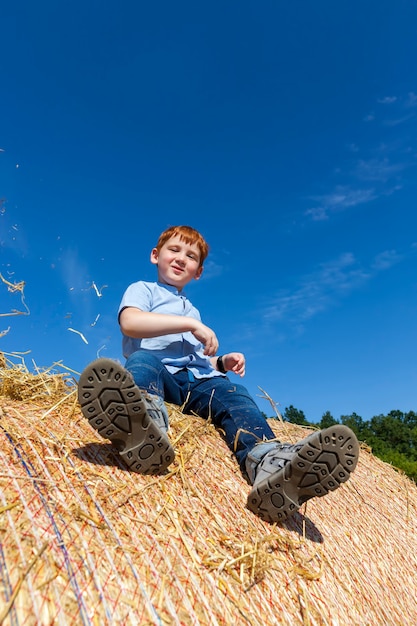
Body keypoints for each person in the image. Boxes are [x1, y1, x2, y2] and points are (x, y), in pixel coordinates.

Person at [78, 225, 359, 523]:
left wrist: (223, 362)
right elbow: (130, 323)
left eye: (191, 256)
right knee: (143, 360)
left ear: (197, 272)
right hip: (159, 375)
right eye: (174, 250)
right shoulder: (144, 290)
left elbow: (199, 362)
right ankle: (145, 426)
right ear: (155, 255)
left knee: (235, 394)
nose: (180, 259)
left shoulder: (193, 311)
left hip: (197, 382)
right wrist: (188, 325)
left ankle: (269, 464)